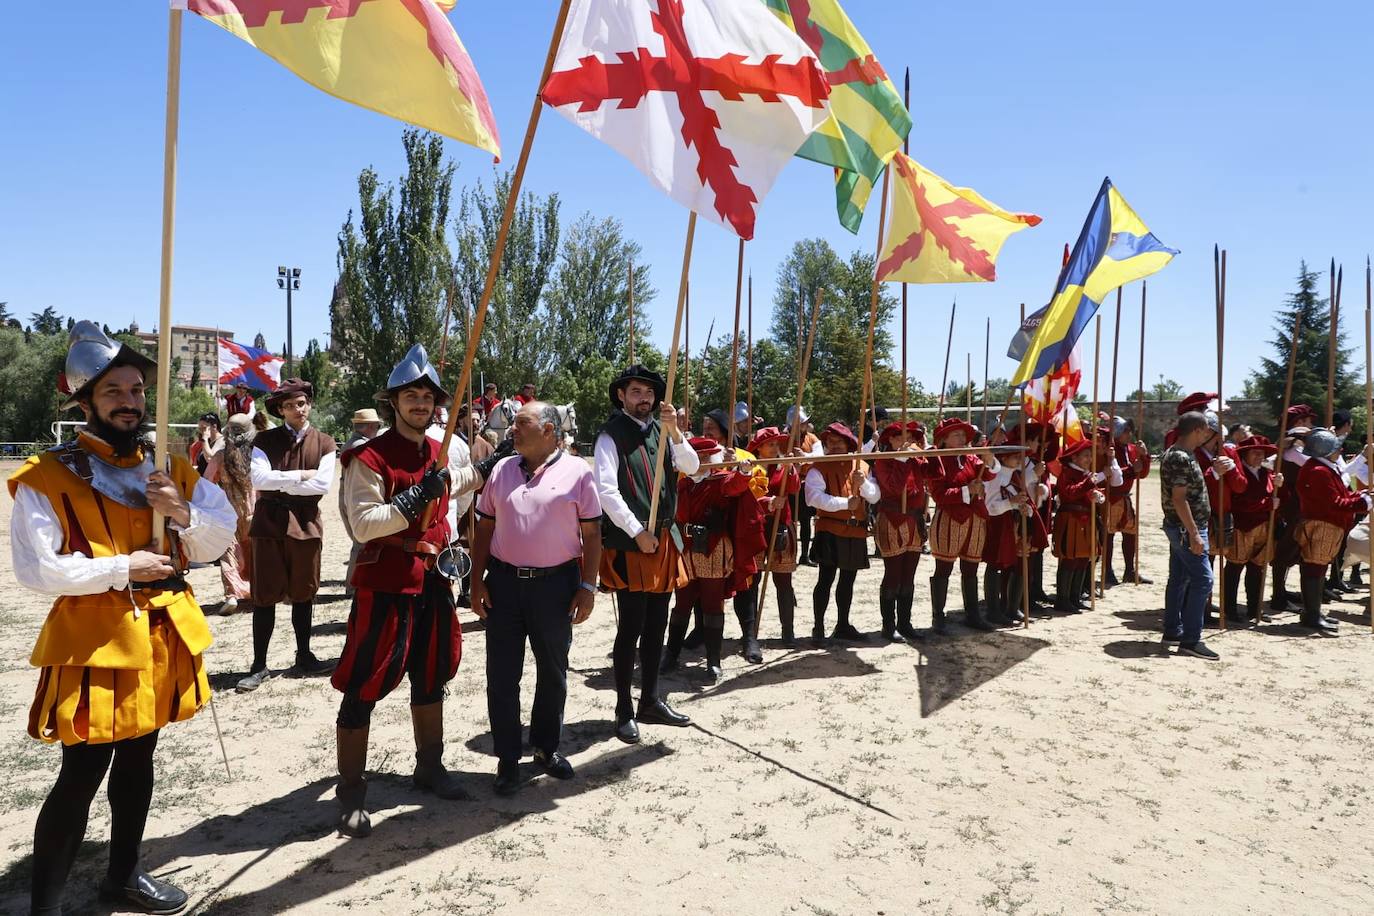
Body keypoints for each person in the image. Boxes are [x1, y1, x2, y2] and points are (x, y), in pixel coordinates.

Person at [11, 322, 236, 914]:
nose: (130, 403)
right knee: (81, 774)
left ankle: (124, 876)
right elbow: (38, 570)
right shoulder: (47, 475)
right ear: (85, 401)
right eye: (114, 392)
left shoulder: (168, 467)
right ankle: (45, 907)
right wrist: (122, 569)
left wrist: (182, 511)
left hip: (160, 636)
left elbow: (221, 538)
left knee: (140, 761)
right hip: (96, 642)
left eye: (137, 391)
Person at [333, 345, 494, 836]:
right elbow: (363, 525)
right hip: (385, 583)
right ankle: (351, 790)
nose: (421, 404)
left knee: (431, 674)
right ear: (394, 402)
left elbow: (454, 483)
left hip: (433, 580)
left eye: (428, 396)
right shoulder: (368, 456)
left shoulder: (438, 452)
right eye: (412, 395)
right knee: (364, 682)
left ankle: (429, 768)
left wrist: (492, 466)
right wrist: (414, 498)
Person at [471, 401, 601, 796]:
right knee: (502, 676)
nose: (512, 429)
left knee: (553, 671)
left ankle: (546, 748)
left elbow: (593, 535)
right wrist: (476, 582)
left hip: (556, 586)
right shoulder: (501, 470)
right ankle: (508, 760)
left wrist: (588, 586)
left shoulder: (578, 472)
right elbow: (483, 527)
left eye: (521, 423)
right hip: (505, 585)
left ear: (548, 430)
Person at [594, 364, 696, 744]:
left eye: (649, 393)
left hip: (664, 541)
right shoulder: (610, 435)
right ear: (621, 395)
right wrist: (637, 532)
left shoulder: (663, 430)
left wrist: (676, 432)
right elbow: (606, 491)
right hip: (632, 543)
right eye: (636, 392)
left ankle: (650, 701)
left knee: (657, 625)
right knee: (631, 628)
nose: (644, 399)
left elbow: (693, 468)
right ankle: (623, 709)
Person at [235, 378, 336, 692]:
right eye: (290, 405)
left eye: (302, 403)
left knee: (304, 592)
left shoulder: (325, 442)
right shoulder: (265, 441)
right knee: (264, 596)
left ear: (310, 404)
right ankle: (259, 664)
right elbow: (260, 481)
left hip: (305, 524)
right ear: (280, 409)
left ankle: (304, 655)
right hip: (269, 524)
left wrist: (283, 480)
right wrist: (300, 476)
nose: (298, 409)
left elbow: (322, 485)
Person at [661, 437, 765, 680]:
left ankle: (713, 662)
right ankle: (671, 655)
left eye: (709, 458)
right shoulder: (682, 484)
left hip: (714, 548)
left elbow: (737, 484)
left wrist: (744, 469)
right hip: (685, 548)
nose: (706, 462)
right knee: (682, 603)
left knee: (712, 605)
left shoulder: (721, 480)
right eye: (701, 458)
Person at [701, 406, 768, 662]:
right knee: (705, 584)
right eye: (704, 428)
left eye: (712, 429)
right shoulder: (697, 455)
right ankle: (701, 631)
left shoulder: (744, 455)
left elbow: (760, 490)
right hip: (710, 528)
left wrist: (735, 469)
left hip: (739, 528)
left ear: (725, 432)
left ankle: (749, 636)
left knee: (746, 584)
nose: (707, 433)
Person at [919, 417, 995, 632]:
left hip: (975, 518)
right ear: (943, 439)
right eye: (957, 435)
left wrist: (989, 459)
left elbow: (988, 473)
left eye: (964, 435)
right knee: (944, 567)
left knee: (971, 567)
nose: (962, 439)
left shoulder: (970, 457)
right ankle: (939, 617)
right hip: (950, 518)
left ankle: (972, 614)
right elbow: (939, 495)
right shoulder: (937, 460)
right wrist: (966, 490)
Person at [805, 422, 878, 644]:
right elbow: (813, 498)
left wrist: (863, 484)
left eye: (839, 442)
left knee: (848, 580)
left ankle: (843, 624)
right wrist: (846, 503)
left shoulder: (862, 466)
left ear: (848, 443)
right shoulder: (819, 467)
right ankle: (818, 627)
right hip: (830, 529)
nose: (834, 446)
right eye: (830, 442)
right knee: (825, 579)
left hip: (855, 531)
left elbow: (874, 496)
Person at [1293, 428, 1370, 636]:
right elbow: (1334, 503)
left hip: (1327, 524)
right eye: (1336, 447)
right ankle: (1311, 616)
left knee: (1318, 569)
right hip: (1322, 524)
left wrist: (1359, 495)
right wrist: (1363, 501)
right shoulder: (1318, 471)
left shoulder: (1325, 468)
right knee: (1314, 569)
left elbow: (1341, 494)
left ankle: (1314, 612)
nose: (1341, 449)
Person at [1160, 412, 1221, 659]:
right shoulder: (1179, 458)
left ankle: (1174, 629)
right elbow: (1179, 498)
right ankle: (1191, 639)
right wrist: (1195, 534)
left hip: (1184, 526)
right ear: (1197, 430)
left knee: (1179, 579)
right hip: (1187, 528)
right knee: (1203, 580)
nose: (1209, 436)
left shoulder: (1183, 455)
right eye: (1207, 431)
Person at [982, 426, 1047, 626]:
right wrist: (1010, 504)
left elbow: (1019, 496)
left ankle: (1012, 607)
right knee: (994, 565)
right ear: (1004, 458)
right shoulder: (996, 477)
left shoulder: (1015, 475)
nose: (1019, 460)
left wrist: (1023, 507)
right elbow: (990, 507)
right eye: (1015, 457)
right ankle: (993, 610)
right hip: (998, 525)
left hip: (1014, 525)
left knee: (1019, 563)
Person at [869, 421, 926, 641]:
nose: (907, 441)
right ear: (890, 440)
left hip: (914, 520)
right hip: (892, 519)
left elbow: (936, 473)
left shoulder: (916, 458)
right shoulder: (883, 461)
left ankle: (905, 622)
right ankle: (888, 625)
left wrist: (929, 450)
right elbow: (893, 487)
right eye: (901, 436)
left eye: (911, 437)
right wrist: (902, 459)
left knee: (909, 575)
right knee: (893, 573)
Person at [745, 427, 802, 645]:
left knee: (783, 581)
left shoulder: (783, 466)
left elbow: (795, 487)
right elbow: (747, 498)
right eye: (771, 444)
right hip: (756, 529)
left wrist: (791, 469)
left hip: (781, 527)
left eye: (777, 444)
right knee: (753, 581)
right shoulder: (750, 468)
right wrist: (766, 504)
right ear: (759, 449)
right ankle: (749, 633)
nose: (776, 448)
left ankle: (788, 631)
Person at [1051, 432, 1116, 613]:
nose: (1089, 459)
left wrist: (1096, 495)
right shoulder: (1067, 473)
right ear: (1075, 457)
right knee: (1070, 559)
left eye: (1090, 456)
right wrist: (1090, 483)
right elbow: (1070, 492)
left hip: (1086, 520)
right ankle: (1063, 599)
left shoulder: (1085, 474)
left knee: (1082, 559)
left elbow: (1086, 491)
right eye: (1085, 455)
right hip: (1071, 520)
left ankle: (1075, 596)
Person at [1224, 435, 1283, 622]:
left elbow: (1281, 499)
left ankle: (1254, 608)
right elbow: (1242, 502)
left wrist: (1279, 486)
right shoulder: (1240, 474)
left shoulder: (1267, 474)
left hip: (1264, 527)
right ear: (1245, 455)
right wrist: (1268, 504)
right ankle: (1230, 609)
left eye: (1262, 453)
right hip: (1243, 527)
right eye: (1255, 453)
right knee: (1235, 567)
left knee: (1257, 568)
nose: (1259, 456)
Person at [1195, 410, 1247, 623]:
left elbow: (1241, 486)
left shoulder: (1229, 452)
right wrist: (1214, 472)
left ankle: (1210, 607)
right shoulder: (1193, 453)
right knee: (1202, 565)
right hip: (1200, 516)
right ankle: (1200, 611)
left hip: (1223, 515)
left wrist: (1231, 470)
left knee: (1214, 560)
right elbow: (1194, 486)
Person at [204, 413, 257, 616]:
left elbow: (206, 483)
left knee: (229, 553)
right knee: (254, 550)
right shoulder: (256, 455)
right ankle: (257, 591)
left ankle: (232, 595)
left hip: (228, 510)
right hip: (254, 508)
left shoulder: (220, 456)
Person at [1272, 404, 1319, 612]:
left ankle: (1282, 592)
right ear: (1299, 423)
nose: (1312, 425)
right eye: (1309, 421)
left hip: (1298, 503)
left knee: (1295, 550)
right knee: (1285, 550)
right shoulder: (1292, 450)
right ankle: (1279, 596)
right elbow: (1313, 465)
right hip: (1291, 504)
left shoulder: (1295, 446)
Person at [1102, 416, 1152, 586]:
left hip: (1125, 498)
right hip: (1111, 497)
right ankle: (1107, 570)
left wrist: (1144, 457)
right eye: (1125, 431)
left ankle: (1129, 570)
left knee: (1131, 533)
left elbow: (1142, 473)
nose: (1129, 434)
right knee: (1108, 535)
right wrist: (1131, 469)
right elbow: (1112, 474)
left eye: (1130, 431)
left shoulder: (1132, 449)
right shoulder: (1108, 449)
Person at [786, 405, 822, 565]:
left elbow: (819, 455)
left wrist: (805, 456)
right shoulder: (784, 438)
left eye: (804, 423)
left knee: (806, 520)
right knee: (789, 520)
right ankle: (788, 553)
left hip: (807, 482)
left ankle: (805, 555)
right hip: (789, 483)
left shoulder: (812, 438)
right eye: (801, 423)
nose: (804, 426)